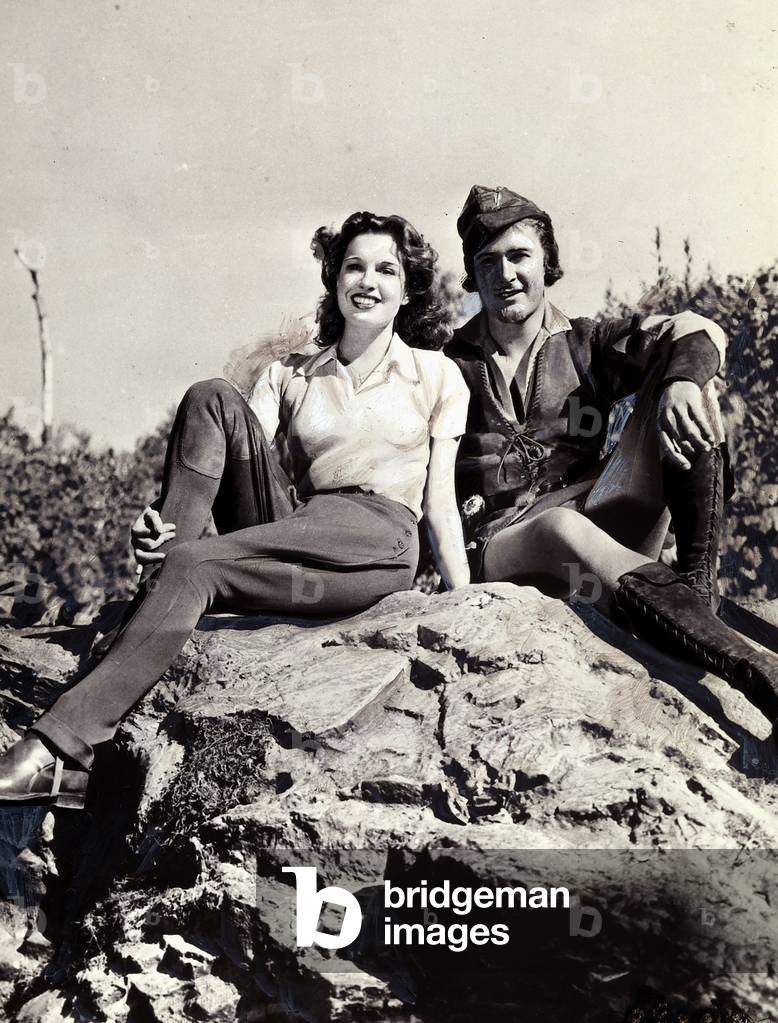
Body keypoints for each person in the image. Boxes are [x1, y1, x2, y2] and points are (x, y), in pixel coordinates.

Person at [0, 211, 471, 809]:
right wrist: (158, 521)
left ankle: (60, 749)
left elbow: (441, 506)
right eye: (354, 266)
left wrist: (465, 601)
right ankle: (157, 588)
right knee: (211, 398)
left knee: (198, 566)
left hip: (374, 539)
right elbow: (229, 453)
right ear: (334, 279)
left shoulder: (437, 374)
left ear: (408, 289)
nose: (368, 281)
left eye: (386, 269)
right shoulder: (291, 374)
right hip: (296, 524)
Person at [446, 184, 778, 736]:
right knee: (559, 526)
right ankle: (758, 673)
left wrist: (680, 380)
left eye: (519, 255)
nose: (505, 274)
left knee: (688, 385)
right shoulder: (444, 365)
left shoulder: (587, 341)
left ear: (546, 260)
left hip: (595, 519)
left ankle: (697, 587)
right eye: (488, 261)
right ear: (473, 274)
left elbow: (700, 328)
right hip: (505, 547)